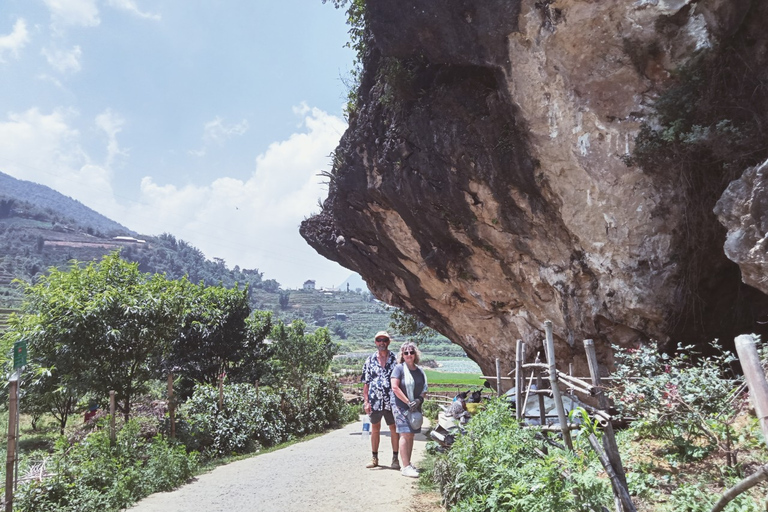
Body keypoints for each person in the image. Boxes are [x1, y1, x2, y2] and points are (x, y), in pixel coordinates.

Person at [361, 330, 400, 469]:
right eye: (379, 340)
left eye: (384, 340)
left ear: (388, 342)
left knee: (394, 428)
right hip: (375, 400)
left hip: (392, 400)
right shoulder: (370, 360)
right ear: (375, 342)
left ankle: (395, 459)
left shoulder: (396, 359)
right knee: (375, 428)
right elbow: (366, 382)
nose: (382, 342)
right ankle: (374, 458)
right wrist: (366, 401)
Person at [390, 341, 428, 478]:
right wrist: (408, 401)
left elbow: (424, 389)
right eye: (406, 353)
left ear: (415, 354)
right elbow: (395, 387)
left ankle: (408, 463)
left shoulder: (419, 371)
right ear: (402, 355)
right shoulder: (399, 369)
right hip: (400, 406)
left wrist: (418, 400)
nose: (409, 355)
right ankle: (405, 467)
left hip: (415, 407)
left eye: (411, 352)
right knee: (405, 433)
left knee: (411, 434)